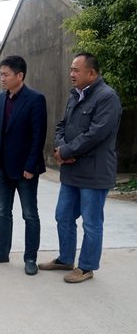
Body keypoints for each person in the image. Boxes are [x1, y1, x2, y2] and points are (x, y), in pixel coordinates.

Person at [38, 52, 122, 283]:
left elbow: (96, 133)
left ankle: (86, 267)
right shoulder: (75, 96)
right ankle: (65, 259)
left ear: (91, 73)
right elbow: (62, 125)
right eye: (71, 70)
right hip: (72, 172)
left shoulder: (107, 97)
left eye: (76, 70)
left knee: (91, 223)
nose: (72, 74)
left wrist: (66, 152)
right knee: (63, 216)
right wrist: (60, 148)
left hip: (94, 172)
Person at [0, 56, 47, 276]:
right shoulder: (0, 99)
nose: (2, 78)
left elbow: (38, 137)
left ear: (20, 75)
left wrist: (31, 165)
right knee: (2, 211)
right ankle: (2, 252)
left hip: (26, 169)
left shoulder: (35, 99)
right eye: (1, 74)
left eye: (6, 74)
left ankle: (30, 258)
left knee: (30, 214)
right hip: (2, 167)